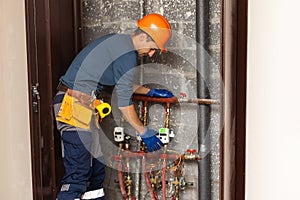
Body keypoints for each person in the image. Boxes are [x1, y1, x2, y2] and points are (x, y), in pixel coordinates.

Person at [52, 13, 173, 200]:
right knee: (78, 175)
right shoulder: (126, 53)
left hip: (85, 108)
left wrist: (149, 92)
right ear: (142, 36)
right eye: (152, 48)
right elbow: (124, 103)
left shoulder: (119, 44)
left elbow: (121, 83)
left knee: (97, 172)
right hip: (73, 104)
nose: (151, 54)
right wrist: (143, 131)